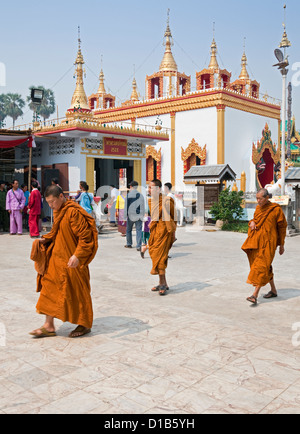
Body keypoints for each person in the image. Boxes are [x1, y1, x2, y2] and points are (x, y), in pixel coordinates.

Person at [30, 185, 98, 338]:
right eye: (48, 203)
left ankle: (84, 324)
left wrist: (77, 255)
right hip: (56, 260)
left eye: (52, 201)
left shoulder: (73, 212)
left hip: (72, 261)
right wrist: (45, 240)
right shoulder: (58, 211)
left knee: (77, 293)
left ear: (61, 196)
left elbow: (85, 237)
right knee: (48, 288)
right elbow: (57, 232)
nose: (50, 205)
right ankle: (49, 325)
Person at [242, 188, 287, 305]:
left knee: (261, 266)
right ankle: (273, 290)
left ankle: (254, 294)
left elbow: (282, 228)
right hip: (257, 242)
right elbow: (255, 220)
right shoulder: (258, 208)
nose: (258, 201)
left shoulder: (276, 210)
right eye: (256, 198)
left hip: (269, 243)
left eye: (260, 199)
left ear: (267, 198)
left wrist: (281, 244)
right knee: (266, 266)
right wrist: (251, 222)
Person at [148, 179, 177, 295]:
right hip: (155, 232)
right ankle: (163, 282)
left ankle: (163, 284)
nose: (149, 190)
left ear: (158, 189)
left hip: (165, 232)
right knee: (155, 256)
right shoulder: (151, 201)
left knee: (161, 258)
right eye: (149, 187)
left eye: (151, 187)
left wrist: (173, 232)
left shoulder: (166, 201)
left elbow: (173, 217)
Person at [124, 180, 145, 251]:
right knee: (139, 230)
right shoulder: (141, 195)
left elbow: (126, 206)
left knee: (128, 230)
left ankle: (129, 244)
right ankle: (138, 246)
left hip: (131, 215)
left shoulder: (128, 195)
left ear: (131, 187)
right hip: (139, 215)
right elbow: (143, 206)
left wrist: (124, 216)